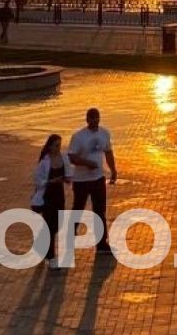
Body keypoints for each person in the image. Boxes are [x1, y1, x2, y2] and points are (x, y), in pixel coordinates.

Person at [67, 108, 117, 254]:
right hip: (81, 181)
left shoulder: (104, 133)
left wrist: (113, 170)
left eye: (97, 118)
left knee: (99, 211)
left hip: (98, 179)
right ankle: (69, 237)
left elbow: (108, 152)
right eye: (92, 118)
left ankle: (101, 244)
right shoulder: (78, 136)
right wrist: (87, 163)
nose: (95, 121)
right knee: (78, 209)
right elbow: (72, 157)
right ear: (87, 119)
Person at [31, 134, 71, 268]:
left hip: (59, 194)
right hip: (47, 195)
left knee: (58, 223)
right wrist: (50, 181)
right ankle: (51, 257)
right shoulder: (44, 162)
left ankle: (40, 244)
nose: (58, 148)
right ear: (50, 147)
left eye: (60, 145)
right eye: (56, 145)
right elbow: (38, 180)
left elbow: (68, 173)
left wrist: (67, 179)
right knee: (49, 225)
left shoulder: (63, 157)